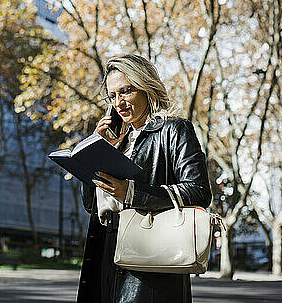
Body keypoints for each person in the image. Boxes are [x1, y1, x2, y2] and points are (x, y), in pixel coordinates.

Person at [76, 54, 212, 303]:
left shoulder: (174, 129)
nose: (119, 103)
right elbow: (91, 206)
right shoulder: (116, 141)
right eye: (112, 96)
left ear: (145, 86)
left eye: (125, 91)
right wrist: (96, 152)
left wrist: (131, 192)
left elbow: (199, 191)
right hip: (105, 248)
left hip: (150, 253)